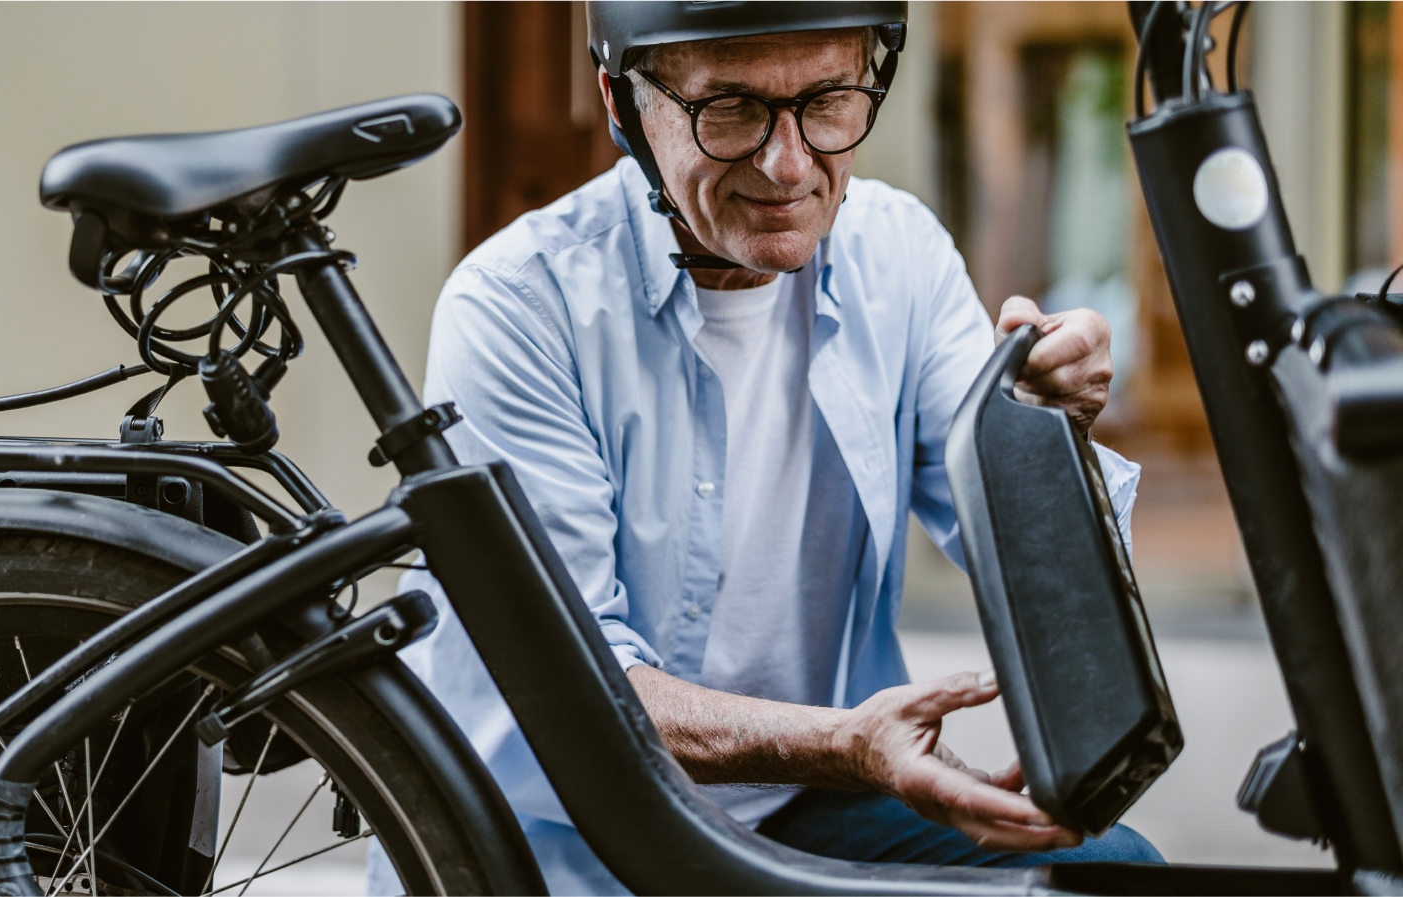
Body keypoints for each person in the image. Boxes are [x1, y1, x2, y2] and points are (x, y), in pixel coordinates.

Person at [368, 3, 1163, 893]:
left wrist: (1054, 431)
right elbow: (575, 689)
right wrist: (848, 747)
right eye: (732, 110)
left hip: (796, 806)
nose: (788, 165)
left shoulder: (899, 253)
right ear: (623, 102)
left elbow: (1031, 566)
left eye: (828, 100)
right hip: (557, 834)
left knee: (1114, 876)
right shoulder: (518, 308)